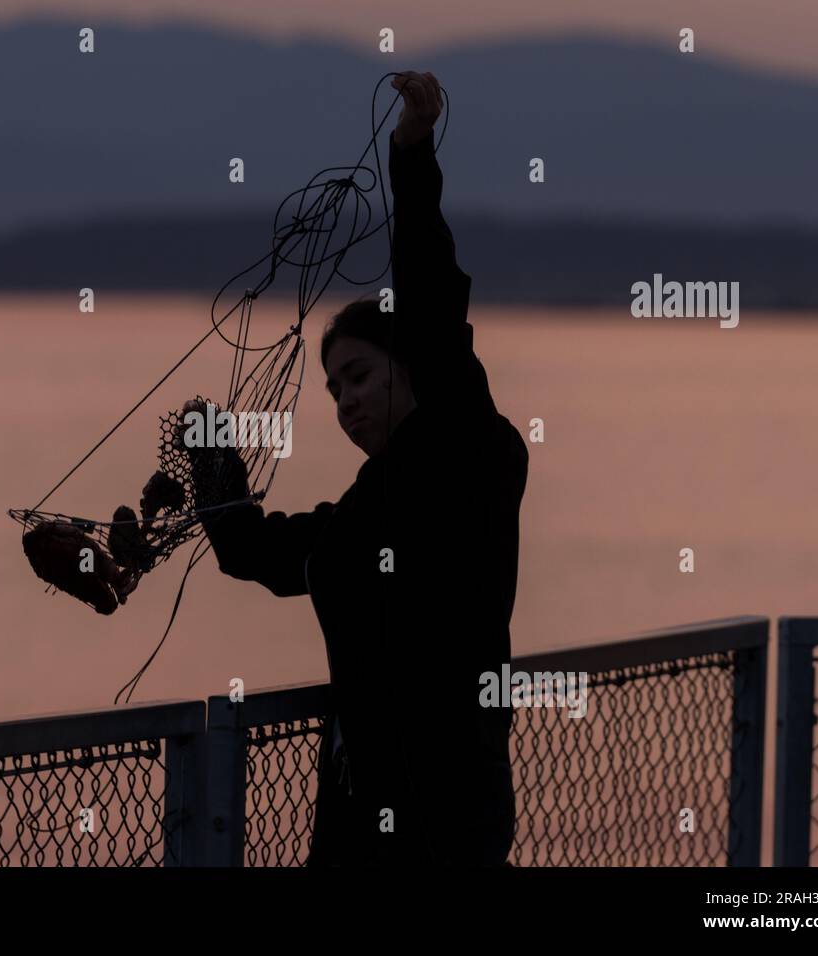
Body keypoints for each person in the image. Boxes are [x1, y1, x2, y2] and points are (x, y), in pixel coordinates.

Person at [184, 71, 528, 866]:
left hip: (447, 821)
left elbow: (434, 299)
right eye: (334, 389)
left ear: (413, 369)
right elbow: (257, 553)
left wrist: (410, 152)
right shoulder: (365, 513)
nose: (344, 401)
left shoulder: (464, 448)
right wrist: (207, 456)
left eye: (361, 376)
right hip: (354, 818)